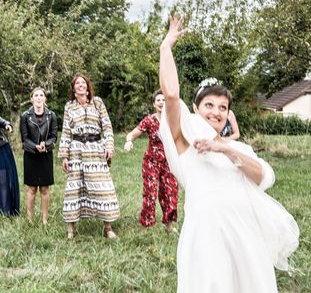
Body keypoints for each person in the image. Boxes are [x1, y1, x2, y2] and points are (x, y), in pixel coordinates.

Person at [159, 16, 299, 292]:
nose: (216, 112)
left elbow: (264, 177)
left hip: (246, 236)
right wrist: (166, 46)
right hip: (206, 237)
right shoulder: (186, 144)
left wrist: (224, 148)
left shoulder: (238, 148)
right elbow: (172, 96)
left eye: (223, 107)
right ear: (197, 110)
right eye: (209, 105)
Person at [59, 74, 120, 239]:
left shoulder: (97, 102)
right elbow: (65, 131)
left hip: (96, 149)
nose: (80, 85)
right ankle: (71, 229)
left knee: (102, 187)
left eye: (83, 83)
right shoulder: (69, 107)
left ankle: (108, 228)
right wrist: (64, 156)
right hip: (77, 151)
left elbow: (107, 126)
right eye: (77, 83)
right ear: (73, 88)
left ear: (87, 86)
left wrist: (109, 145)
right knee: (74, 188)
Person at [124, 90, 178, 232]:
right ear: (154, 104)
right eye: (158, 100)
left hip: (169, 162)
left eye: (164, 100)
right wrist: (129, 141)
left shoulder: (173, 120)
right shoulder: (149, 120)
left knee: (170, 192)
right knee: (150, 193)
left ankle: (169, 225)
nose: (161, 102)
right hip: (151, 162)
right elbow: (132, 133)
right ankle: (146, 226)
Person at [20, 87, 58, 224]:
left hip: (46, 155)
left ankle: (45, 220)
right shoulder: (25, 116)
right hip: (31, 155)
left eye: (41, 95)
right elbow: (24, 139)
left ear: (44, 98)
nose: (38, 97)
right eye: (36, 95)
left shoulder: (51, 115)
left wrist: (45, 145)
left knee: (44, 188)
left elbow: (54, 136)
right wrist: (35, 147)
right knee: (31, 188)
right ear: (31, 98)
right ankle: (29, 219)